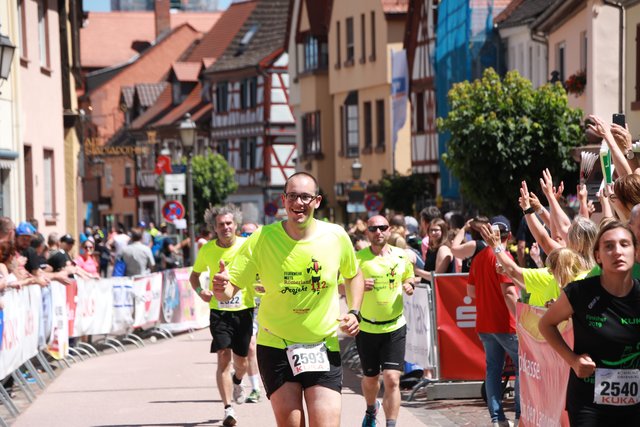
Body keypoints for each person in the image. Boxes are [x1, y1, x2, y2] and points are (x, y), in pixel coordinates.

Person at [212, 172, 364, 427]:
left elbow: (354, 275)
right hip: (276, 345)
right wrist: (221, 288)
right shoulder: (263, 238)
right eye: (292, 196)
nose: (298, 203)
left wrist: (354, 311)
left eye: (305, 197)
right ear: (283, 200)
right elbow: (229, 290)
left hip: (322, 345)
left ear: (317, 201)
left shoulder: (336, 236)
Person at [539, 220, 640, 425]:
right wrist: (573, 360)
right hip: (588, 402)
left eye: (624, 244)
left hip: (635, 404)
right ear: (597, 256)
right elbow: (545, 324)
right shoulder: (580, 292)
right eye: (609, 246)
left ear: (635, 252)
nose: (617, 252)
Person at [189, 205, 255, 426]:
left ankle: (238, 380)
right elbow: (194, 277)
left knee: (242, 362)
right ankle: (228, 409)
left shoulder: (247, 245)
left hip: (244, 310)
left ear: (235, 225)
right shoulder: (207, 250)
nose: (225, 227)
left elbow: (260, 269)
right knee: (223, 356)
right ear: (214, 228)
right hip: (219, 312)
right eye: (221, 225)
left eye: (229, 223)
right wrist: (201, 292)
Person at [356, 215, 414, 427]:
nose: (378, 232)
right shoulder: (358, 258)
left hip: (394, 326)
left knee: (392, 378)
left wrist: (409, 285)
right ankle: (371, 409)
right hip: (367, 328)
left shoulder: (400, 255)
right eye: (373, 229)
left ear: (389, 230)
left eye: (382, 228)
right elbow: (342, 286)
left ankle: (391, 424)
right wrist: (359, 285)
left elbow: (409, 276)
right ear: (367, 232)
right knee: (371, 378)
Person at [467, 216, 520, 427]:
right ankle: (520, 417)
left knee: (493, 371)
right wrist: (521, 320)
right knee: (521, 370)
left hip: (485, 323)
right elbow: (509, 293)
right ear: (510, 235)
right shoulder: (504, 257)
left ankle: (497, 418)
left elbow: (471, 292)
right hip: (506, 324)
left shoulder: (479, 257)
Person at [239, 222, 263, 404]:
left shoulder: (268, 251)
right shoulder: (240, 255)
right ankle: (255, 388)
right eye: (245, 234)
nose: (248, 238)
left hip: (271, 306)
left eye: (252, 234)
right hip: (249, 307)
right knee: (251, 347)